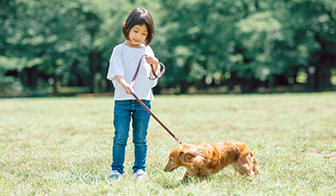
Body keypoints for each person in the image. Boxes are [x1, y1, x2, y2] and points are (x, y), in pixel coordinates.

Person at [106, 8, 161, 180]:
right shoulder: (119, 50)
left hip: (143, 100)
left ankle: (139, 169)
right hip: (123, 100)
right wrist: (124, 85)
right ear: (126, 27)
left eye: (144, 33)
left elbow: (153, 78)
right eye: (135, 31)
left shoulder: (147, 50)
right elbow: (116, 72)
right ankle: (116, 169)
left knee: (140, 137)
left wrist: (156, 64)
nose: (138, 36)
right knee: (120, 136)